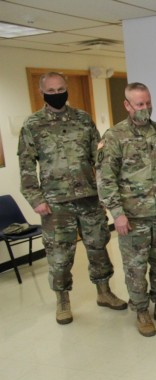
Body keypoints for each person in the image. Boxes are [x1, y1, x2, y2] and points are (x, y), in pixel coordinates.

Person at [18, 71, 126, 325]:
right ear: (42, 93)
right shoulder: (32, 124)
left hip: (89, 197)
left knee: (99, 246)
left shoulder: (83, 119)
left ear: (67, 89)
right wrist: (36, 199)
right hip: (55, 203)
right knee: (59, 254)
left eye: (60, 90)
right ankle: (62, 300)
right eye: (51, 91)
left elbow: (97, 159)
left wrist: (104, 192)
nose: (57, 95)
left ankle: (104, 292)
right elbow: (25, 166)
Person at [96, 82, 156, 337]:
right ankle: (142, 311)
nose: (145, 108)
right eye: (139, 104)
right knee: (136, 267)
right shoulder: (114, 136)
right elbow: (105, 179)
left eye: (148, 102)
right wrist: (117, 214)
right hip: (133, 216)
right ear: (127, 105)